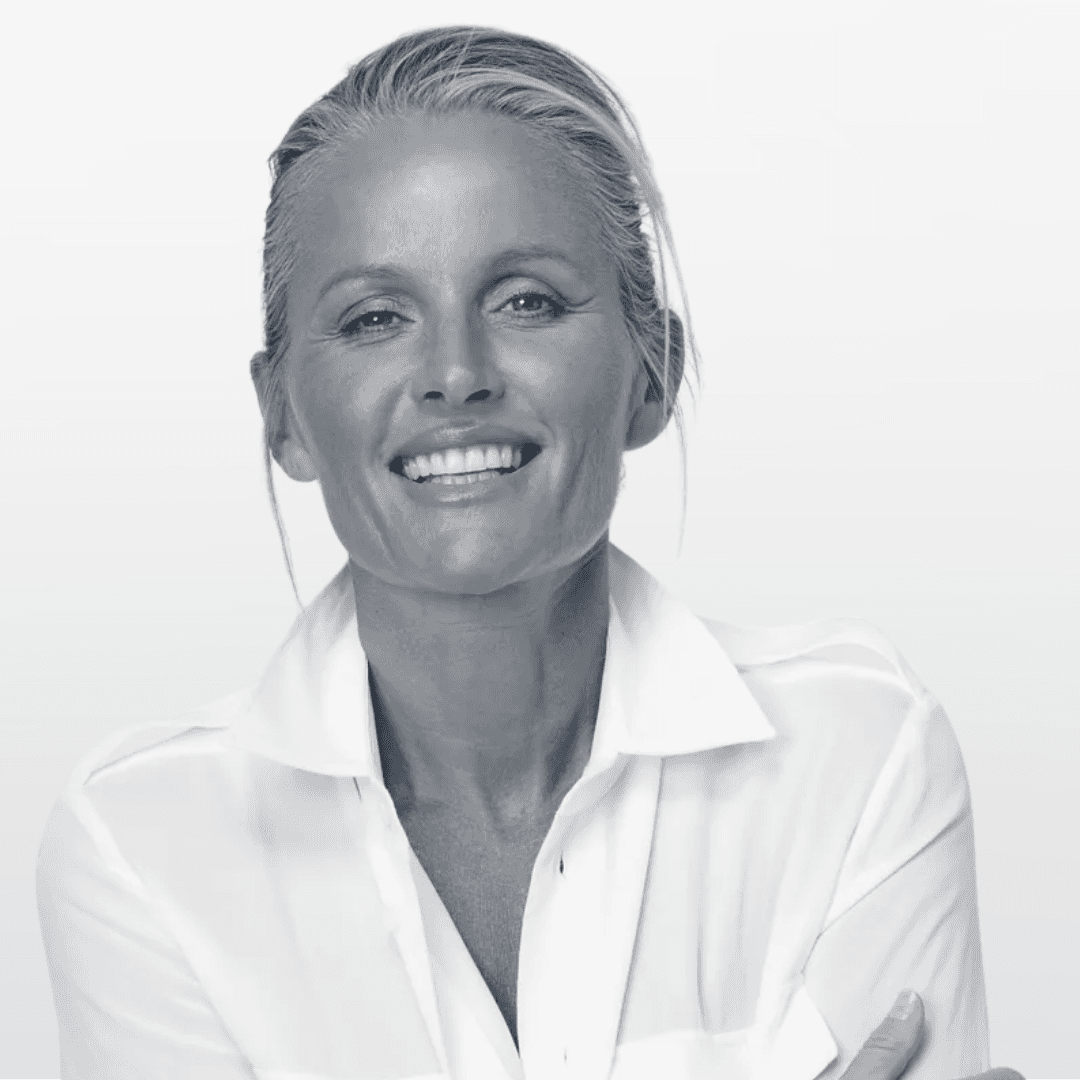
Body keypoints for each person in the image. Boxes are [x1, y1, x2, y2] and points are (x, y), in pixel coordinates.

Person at [36, 26, 1023, 1080]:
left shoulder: (859, 758)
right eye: (374, 318)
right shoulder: (142, 847)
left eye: (527, 303)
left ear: (652, 373)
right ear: (282, 416)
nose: (455, 373)